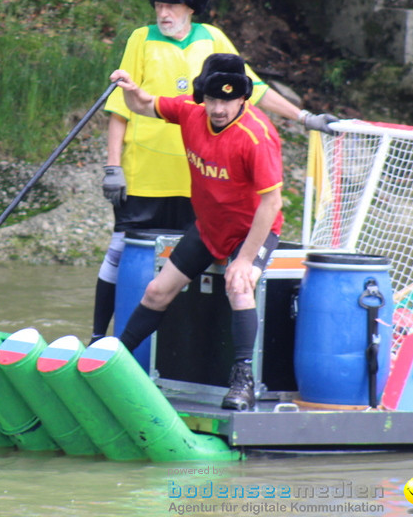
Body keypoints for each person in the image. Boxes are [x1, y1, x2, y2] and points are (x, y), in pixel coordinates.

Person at [92, 0, 336, 345]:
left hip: (198, 182)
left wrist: (303, 116)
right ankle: (99, 339)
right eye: (158, 6)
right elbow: (128, 106)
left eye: (172, 5)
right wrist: (113, 166)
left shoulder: (215, 41)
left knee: (211, 274)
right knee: (121, 252)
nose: (163, 13)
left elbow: (251, 88)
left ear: (191, 7)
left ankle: (203, 355)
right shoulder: (142, 39)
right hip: (146, 172)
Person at [109, 53, 285, 411]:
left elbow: (272, 204)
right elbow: (141, 104)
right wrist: (128, 87)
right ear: (201, 96)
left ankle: (242, 380)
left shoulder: (257, 137)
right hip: (209, 227)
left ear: (242, 99)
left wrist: (246, 260)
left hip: (253, 230)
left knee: (239, 285)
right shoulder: (190, 113)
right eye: (213, 99)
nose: (219, 109)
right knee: (157, 291)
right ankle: (114, 359)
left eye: (228, 100)